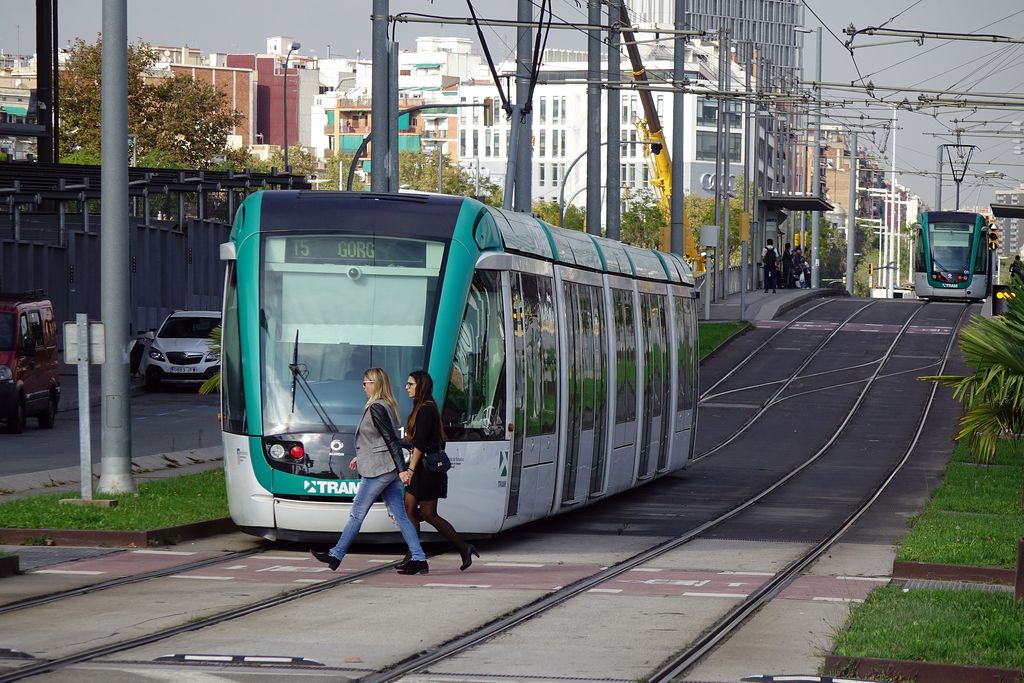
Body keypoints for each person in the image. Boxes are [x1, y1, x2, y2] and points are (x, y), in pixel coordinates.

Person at [311, 367, 429, 575]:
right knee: (401, 515)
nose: (363, 386)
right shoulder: (386, 405)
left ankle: (336, 554)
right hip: (383, 465)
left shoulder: (376, 407)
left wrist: (403, 470)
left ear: (375, 384)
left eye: (366, 382)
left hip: (379, 470)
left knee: (357, 513)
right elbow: (376, 439)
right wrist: (362, 455)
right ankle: (419, 558)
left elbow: (390, 440)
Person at [400, 369, 479, 572]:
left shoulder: (426, 409)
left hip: (426, 470)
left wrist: (410, 469)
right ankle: (413, 555)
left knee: (428, 513)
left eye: (411, 384)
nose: (407, 387)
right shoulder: (422, 408)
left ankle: (462, 547)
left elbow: (419, 444)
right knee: (409, 510)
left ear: (421, 387)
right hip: (422, 469)